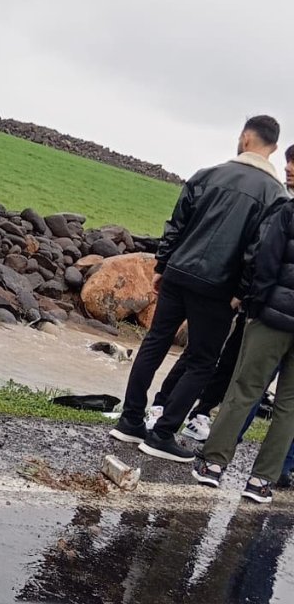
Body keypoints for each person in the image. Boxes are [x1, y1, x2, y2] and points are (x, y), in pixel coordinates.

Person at [110, 115, 285, 461]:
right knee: (202, 361)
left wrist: (163, 265)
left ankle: (131, 421)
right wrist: (242, 291)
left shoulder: (207, 174)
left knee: (155, 343)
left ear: (245, 138)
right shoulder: (274, 195)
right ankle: (162, 434)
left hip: (178, 273)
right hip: (218, 288)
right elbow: (258, 250)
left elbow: (177, 223)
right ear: (274, 148)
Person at [147, 145, 294, 442]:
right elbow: (260, 251)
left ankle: (201, 412)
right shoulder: (279, 199)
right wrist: (245, 291)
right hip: (242, 292)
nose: (289, 168)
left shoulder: (279, 199)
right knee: (200, 353)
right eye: (289, 162)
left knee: (229, 361)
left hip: (257, 298)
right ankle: (162, 405)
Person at [193, 197, 294, 503]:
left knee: (245, 388)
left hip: (272, 315)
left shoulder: (289, 211)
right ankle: (262, 481)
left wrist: (255, 303)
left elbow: (267, 257)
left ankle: (213, 464)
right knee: (290, 406)